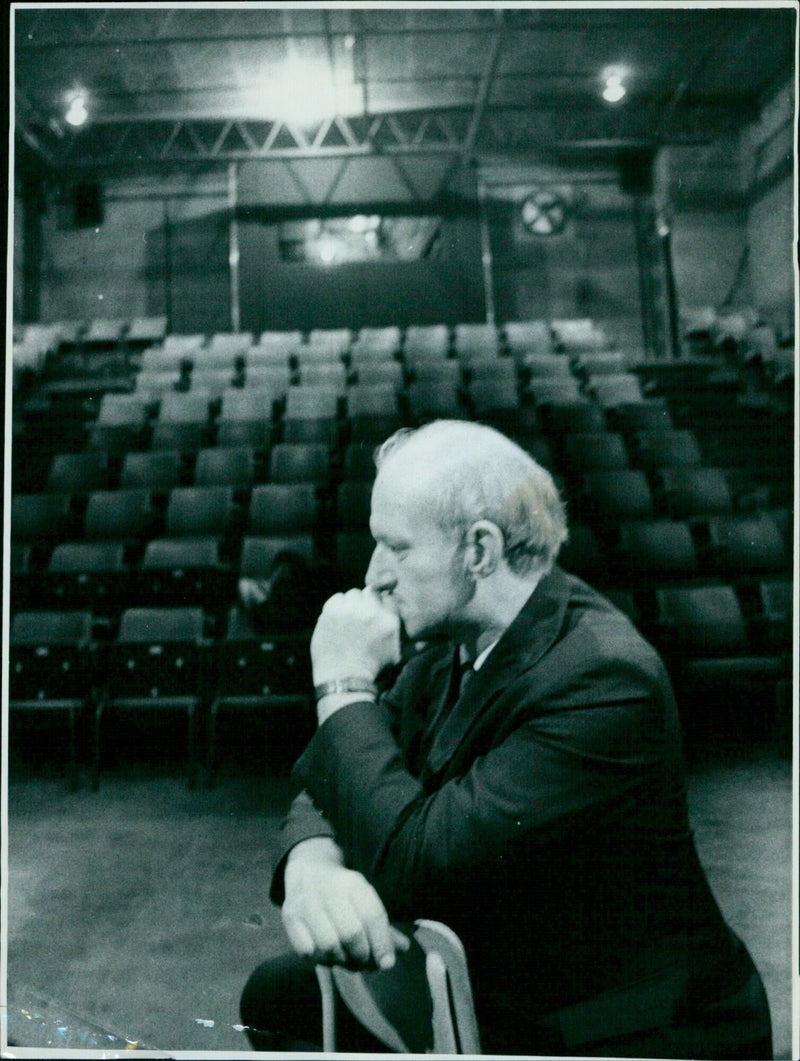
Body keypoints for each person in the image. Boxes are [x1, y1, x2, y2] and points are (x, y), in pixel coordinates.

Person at [240, 420, 772, 1057]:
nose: (374, 574)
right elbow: (333, 769)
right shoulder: (453, 644)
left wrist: (343, 684)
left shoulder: (604, 679)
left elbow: (414, 865)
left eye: (397, 547)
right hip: (504, 963)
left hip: (616, 1023)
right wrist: (312, 866)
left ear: (481, 550)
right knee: (277, 996)